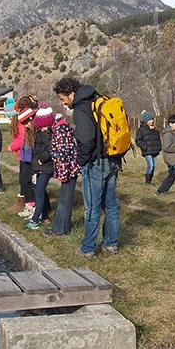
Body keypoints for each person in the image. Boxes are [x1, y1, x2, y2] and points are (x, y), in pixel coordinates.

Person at [53, 76, 120, 256]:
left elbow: (86, 139)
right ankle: (111, 244)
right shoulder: (97, 98)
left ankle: (88, 247)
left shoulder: (81, 108)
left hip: (95, 163)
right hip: (112, 159)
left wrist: (81, 161)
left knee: (92, 207)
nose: (63, 103)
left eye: (62, 98)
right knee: (111, 204)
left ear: (71, 94)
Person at [45, 111, 79, 237]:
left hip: (68, 171)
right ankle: (62, 227)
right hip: (69, 170)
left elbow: (63, 154)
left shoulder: (60, 131)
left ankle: (60, 229)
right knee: (65, 199)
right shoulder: (61, 128)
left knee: (64, 201)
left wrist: (63, 174)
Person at [27, 104, 55, 229]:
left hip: (45, 167)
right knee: (40, 191)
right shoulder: (41, 133)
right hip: (40, 168)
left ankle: (35, 219)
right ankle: (44, 216)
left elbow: (50, 149)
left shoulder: (46, 134)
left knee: (39, 192)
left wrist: (41, 160)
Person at [9, 97, 37, 217]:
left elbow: (21, 139)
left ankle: (32, 205)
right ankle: (31, 204)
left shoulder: (24, 120)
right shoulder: (24, 119)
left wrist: (11, 147)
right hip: (24, 154)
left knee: (27, 181)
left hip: (28, 155)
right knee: (26, 181)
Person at [135, 111, 162, 185]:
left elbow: (158, 140)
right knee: (151, 165)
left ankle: (150, 181)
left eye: (152, 119)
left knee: (154, 166)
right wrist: (144, 147)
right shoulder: (141, 130)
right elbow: (138, 140)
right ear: (146, 120)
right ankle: (147, 182)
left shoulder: (155, 130)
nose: (152, 121)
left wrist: (159, 147)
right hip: (147, 151)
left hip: (155, 151)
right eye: (150, 119)